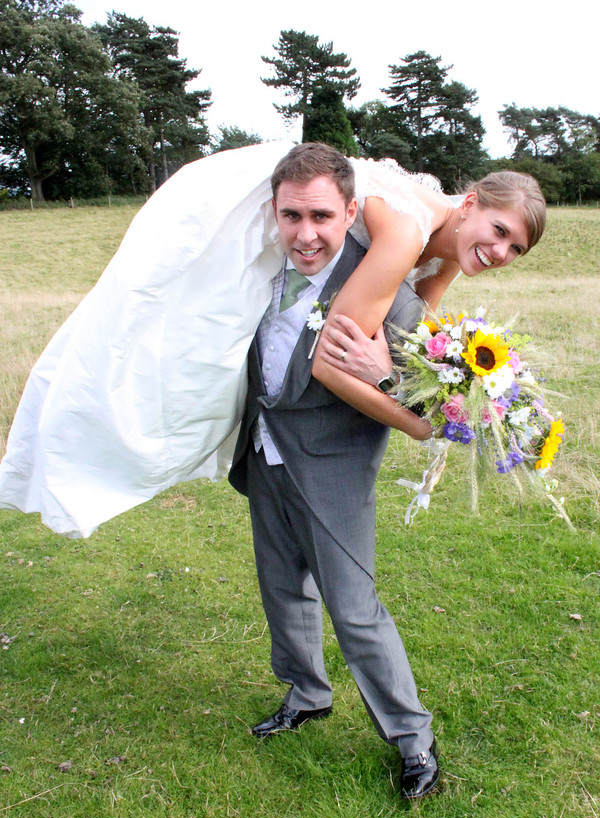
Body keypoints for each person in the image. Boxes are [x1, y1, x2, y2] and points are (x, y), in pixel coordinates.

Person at [0, 141, 545, 543]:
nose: (500, 253)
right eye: (499, 231)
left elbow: (408, 340)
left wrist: (457, 385)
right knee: (163, 346)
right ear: (471, 203)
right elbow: (332, 359)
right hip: (273, 223)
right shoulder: (407, 232)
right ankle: (79, 441)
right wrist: (424, 426)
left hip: (306, 250)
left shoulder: (450, 252)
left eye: (515, 249)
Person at [228, 143, 439, 801]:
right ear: (275, 213)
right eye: (292, 216)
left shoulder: (388, 294)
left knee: (354, 609)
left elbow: (430, 403)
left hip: (335, 470)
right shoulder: (259, 269)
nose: (306, 233)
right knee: (281, 586)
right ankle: (306, 692)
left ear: (350, 211)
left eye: (321, 215)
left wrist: (381, 371)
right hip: (265, 453)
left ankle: (414, 743)